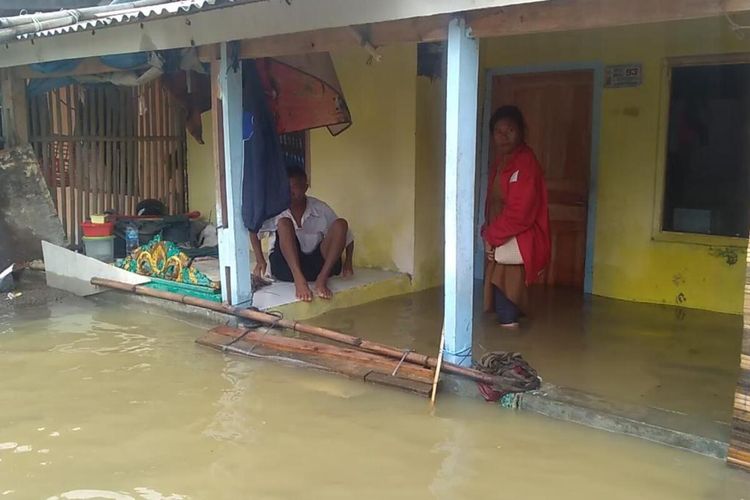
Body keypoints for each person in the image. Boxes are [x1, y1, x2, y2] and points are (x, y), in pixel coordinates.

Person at [481, 106, 550, 327]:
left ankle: (509, 351)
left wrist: (491, 235)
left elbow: (521, 212)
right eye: (498, 132)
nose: (504, 136)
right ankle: (512, 339)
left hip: (514, 237)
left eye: (510, 130)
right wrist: (488, 232)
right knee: (506, 292)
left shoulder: (525, 163)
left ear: (521, 131)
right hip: (501, 234)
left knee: (507, 291)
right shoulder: (502, 162)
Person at [251, 166, 354, 302]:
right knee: (284, 223)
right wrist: (260, 260)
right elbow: (253, 230)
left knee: (341, 223)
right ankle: (300, 281)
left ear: (305, 187)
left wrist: (348, 263)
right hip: (286, 269)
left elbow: (347, 236)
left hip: (318, 266)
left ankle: (321, 280)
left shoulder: (320, 208)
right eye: (286, 188)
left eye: (294, 187)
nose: (290, 192)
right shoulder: (275, 209)